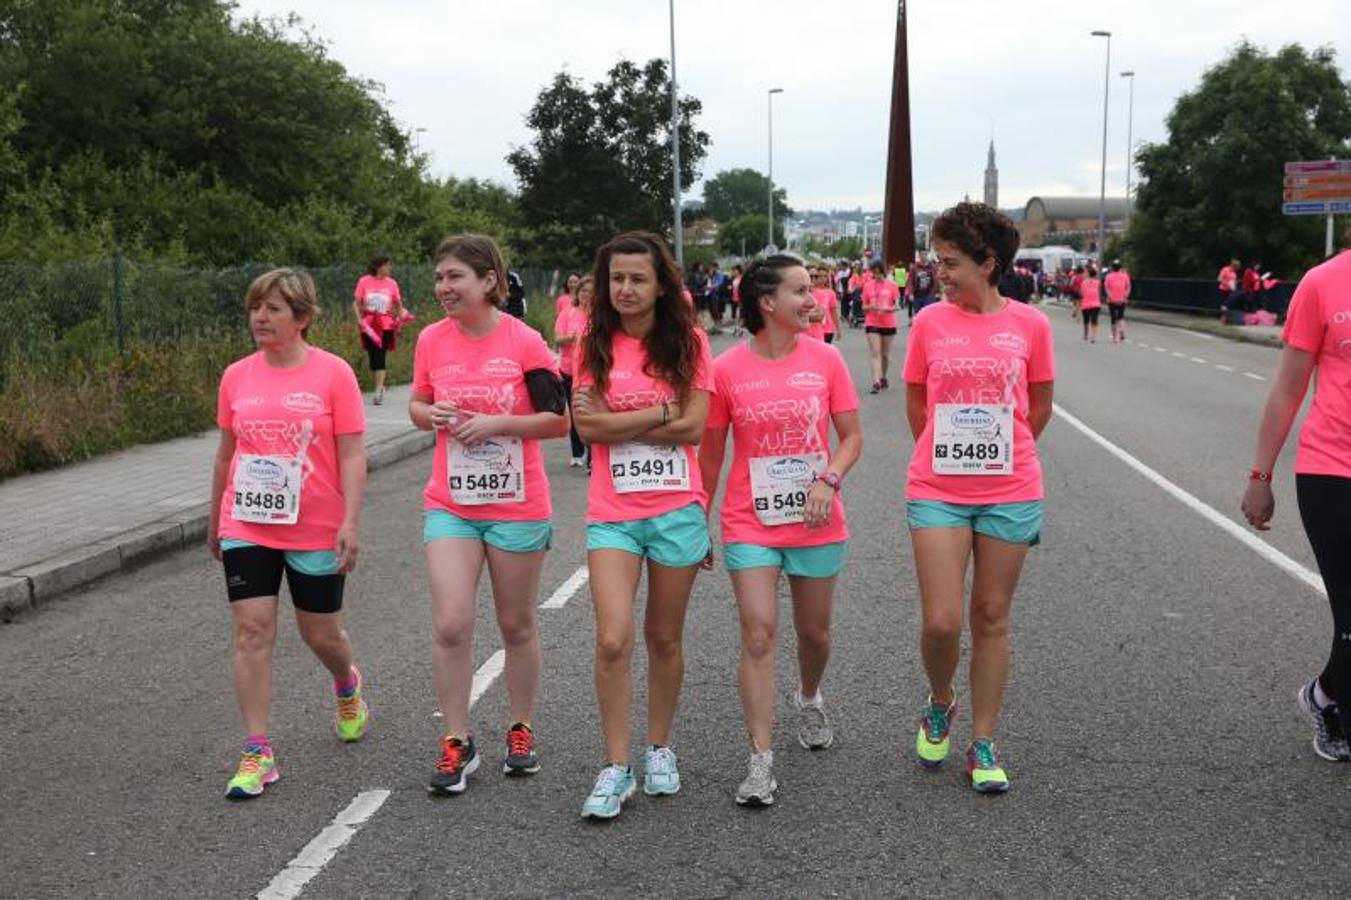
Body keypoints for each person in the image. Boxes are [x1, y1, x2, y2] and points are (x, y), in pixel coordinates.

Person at [698, 255, 862, 806]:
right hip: (752, 521)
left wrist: (828, 480)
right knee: (759, 632)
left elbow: (851, 438)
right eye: (800, 290)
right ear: (767, 303)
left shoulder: (828, 360)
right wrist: (698, 516)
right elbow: (712, 454)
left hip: (817, 517)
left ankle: (809, 695)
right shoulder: (725, 371)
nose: (813, 297)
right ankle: (760, 760)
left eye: (813, 288)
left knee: (813, 635)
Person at [409, 234, 570, 795]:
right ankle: (457, 739)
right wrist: (431, 413)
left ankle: (520, 728)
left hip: (516, 504)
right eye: (439, 278)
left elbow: (559, 420)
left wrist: (495, 423)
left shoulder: (524, 341)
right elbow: (416, 404)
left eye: (455, 277)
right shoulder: (431, 340)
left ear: (488, 282)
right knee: (451, 622)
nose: (443, 288)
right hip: (451, 501)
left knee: (516, 623)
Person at [903, 202, 1055, 794]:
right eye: (938, 261)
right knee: (942, 622)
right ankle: (941, 702)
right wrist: (947, 453)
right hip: (937, 489)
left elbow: (1037, 406)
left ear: (989, 263)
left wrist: (1000, 451)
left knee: (990, 616)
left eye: (950, 262)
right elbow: (917, 403)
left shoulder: (1031, 326)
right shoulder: (928, 323)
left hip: (1010, 488)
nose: (939, 272)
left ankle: (984, 740)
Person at [209, 268, 369, 799]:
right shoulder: (236, 375)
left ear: (302, 318)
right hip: (247, 522)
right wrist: (216, 519)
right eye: (256, 307)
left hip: (315, 524)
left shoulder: (334, 374)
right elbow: (227, 452)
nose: (260, 317)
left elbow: (351, 451)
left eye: (274, 308)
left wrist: (349, 521)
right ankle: (258, 750)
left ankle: (347, 682)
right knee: (252, 630)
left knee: (320, 633)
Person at [571, 231, 714, 820]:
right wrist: (659, 410)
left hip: (677, 507)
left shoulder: (691, 343)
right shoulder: (592, 343)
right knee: (613, 637)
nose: (625, 289)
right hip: (614, 513)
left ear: (661, 285)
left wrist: (618, 419)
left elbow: (694, 430)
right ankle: (616, 764)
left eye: (637, 279)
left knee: (663, 637)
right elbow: (586, 431)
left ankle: (659, 748)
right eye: (616, 279)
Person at [1242, 232, 1351, 763]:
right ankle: (1338, 713)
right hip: (1334, 471)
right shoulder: (1323, 283)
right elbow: (1288, 388)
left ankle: (1324, 694)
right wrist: (1260, 475)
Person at [353, 254, 406, 405]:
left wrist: (399, 320)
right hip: (369, 325)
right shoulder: (364, 281)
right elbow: (356, 303)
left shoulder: (392, 283)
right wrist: (359, 319)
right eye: (387, 265)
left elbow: (398, 305)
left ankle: (378, 391)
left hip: (386, 324)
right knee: (373, 356)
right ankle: (380, 386)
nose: (390, 268)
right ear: (378, 266)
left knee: (379, 355)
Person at [555, 275, 593, 468]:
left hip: (593, 372)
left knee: (592, 413)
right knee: (576, 413)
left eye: (591, 291)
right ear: (578, 293)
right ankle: (577, 452)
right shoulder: (568, 314)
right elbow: (557, 339)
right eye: (584, 291)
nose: (587, 295)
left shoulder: (601, 316)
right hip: (569, 371)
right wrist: (571, 338)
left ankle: (593, 458)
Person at [861, 259, 901, 393]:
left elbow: (897, 305)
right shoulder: (868, 285)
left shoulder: (892, 285)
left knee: (885, 355)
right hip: (872, 322)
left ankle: (883, 377)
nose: (877, 275)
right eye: (874, 272)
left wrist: (890, 309)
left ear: (883, 272)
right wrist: (869, 306)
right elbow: (863, 306)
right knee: (875, 353)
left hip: (888, 322)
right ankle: (876, 381)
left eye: (879, 272)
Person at [1104, 259, 1132, 343]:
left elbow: (1106, 287)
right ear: (1120, 267)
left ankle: (1114, 337)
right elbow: (1128, 286)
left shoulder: (1108, 276)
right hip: (1122, 299)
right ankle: (1122, 331)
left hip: (1112, 300)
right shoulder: (1125, 276)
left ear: (1112, 267)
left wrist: (1109, 296)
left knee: (1113, 318)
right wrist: (1126, 296)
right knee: (1121, 317)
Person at [908, 254, 939, 319]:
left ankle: (927, 328)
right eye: (922, 254)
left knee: (928, 314)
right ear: (919, 256)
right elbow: (910, 281)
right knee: (918, 315)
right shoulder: (914, 267)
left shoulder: (932, 267)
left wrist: (935, 292)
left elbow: (936, 280)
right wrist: (911, 293)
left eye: (925, 254)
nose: (923, 256)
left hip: (929, 295)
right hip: (917, 295)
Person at [1079, 263, 1102, 343]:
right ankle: (1093, 337)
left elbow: (1081, 293)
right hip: (1096, 304)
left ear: (1088, 274)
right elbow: (1099, 292)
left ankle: (1085, 335)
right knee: (1094, 321)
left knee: (1086, 321)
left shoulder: (1084, 282)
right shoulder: (1098, 282)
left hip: (1086, 304)